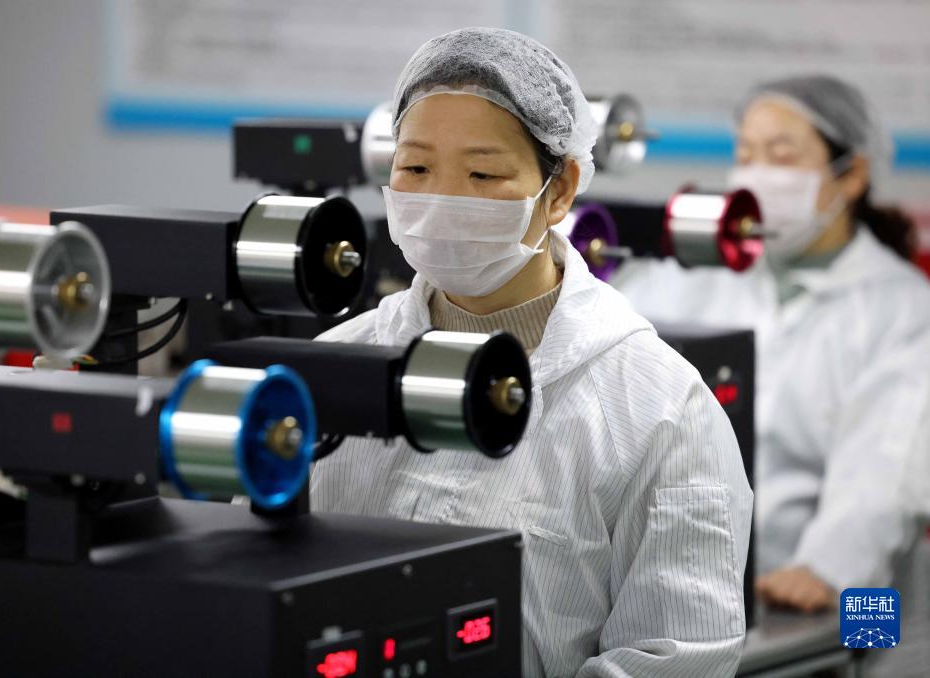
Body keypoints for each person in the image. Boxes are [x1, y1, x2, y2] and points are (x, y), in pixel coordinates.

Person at [311, 27, 753, 676]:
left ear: (561, 189)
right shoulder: (332, 367)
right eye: (416, 168)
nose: (442, 199)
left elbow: (677, 656)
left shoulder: (658, 408)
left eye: (482, 173)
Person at [612, 75, 930, 671]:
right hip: (699, 587)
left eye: (781, 156)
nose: (756, 175)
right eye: (746, 155)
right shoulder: (697, 275)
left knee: (860, 656)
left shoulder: (905, 307)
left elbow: (888, 464)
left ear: (852, 175)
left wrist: (827, 570)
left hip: (842, 583)